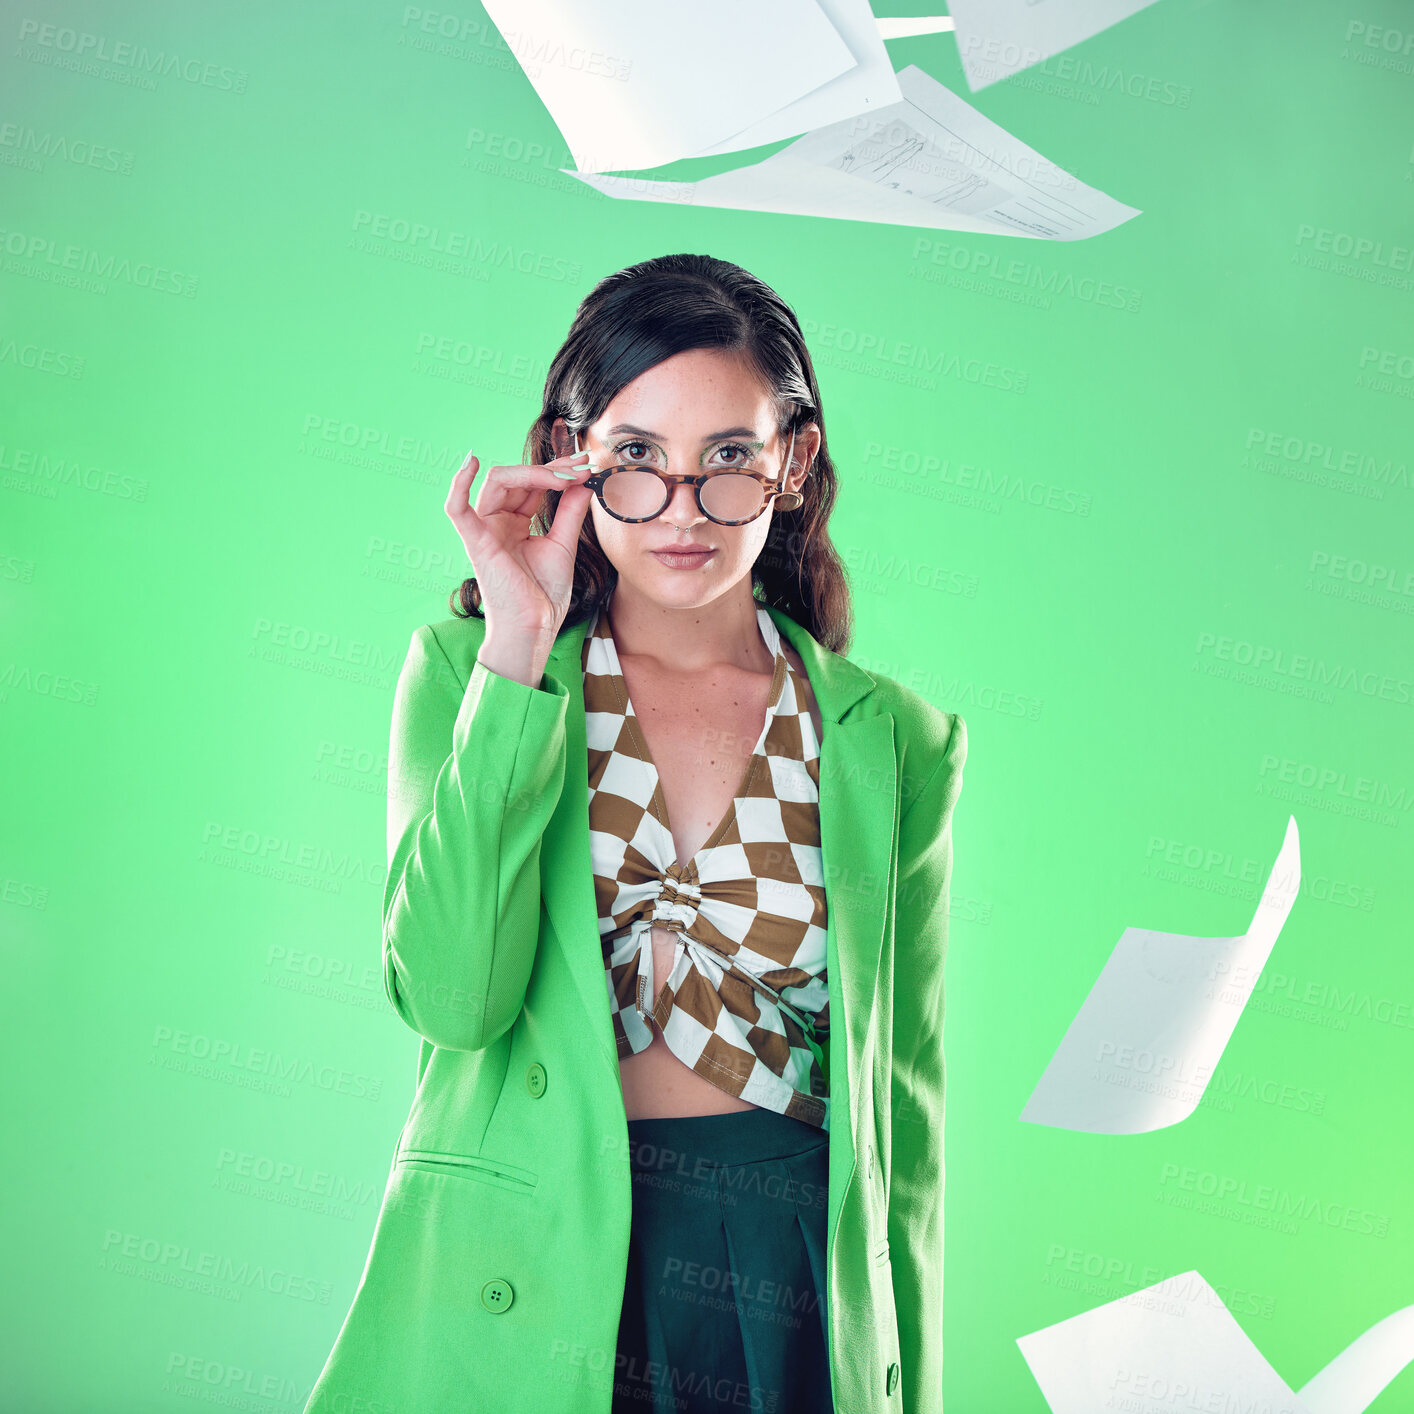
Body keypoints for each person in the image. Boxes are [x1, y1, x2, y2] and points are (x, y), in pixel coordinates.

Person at [302, 253, 967, 1414]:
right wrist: (518, 643)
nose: (680, 511)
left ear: (791, 463)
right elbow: (452, 1000)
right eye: (636, 460)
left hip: (783, 1268)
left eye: (726, 461)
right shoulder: (472, 673)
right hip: (532, 1248)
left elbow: (902, 1118)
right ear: (573, 456)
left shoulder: (887, 737)